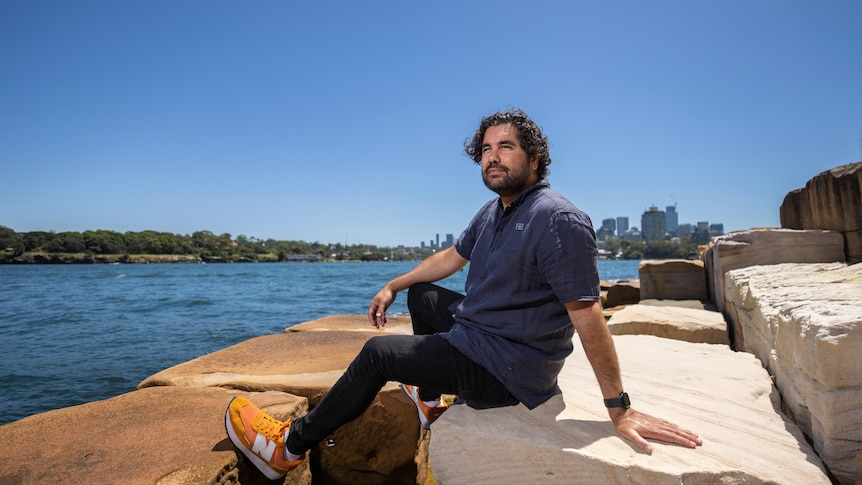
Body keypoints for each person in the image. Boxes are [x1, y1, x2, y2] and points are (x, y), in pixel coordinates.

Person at [225, 108, 702, 480]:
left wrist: (620, 409)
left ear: (534, 158)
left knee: (377, 354)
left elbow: (588, 314)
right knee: (423, 296)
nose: (492, 157)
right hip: (483, 336)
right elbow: (453, 257)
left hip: (507, 367)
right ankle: (430, 401)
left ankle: (286, 450)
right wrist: (394, 284)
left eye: (506, 147)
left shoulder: (557, 219)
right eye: (486, 149)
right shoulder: (496, 209)